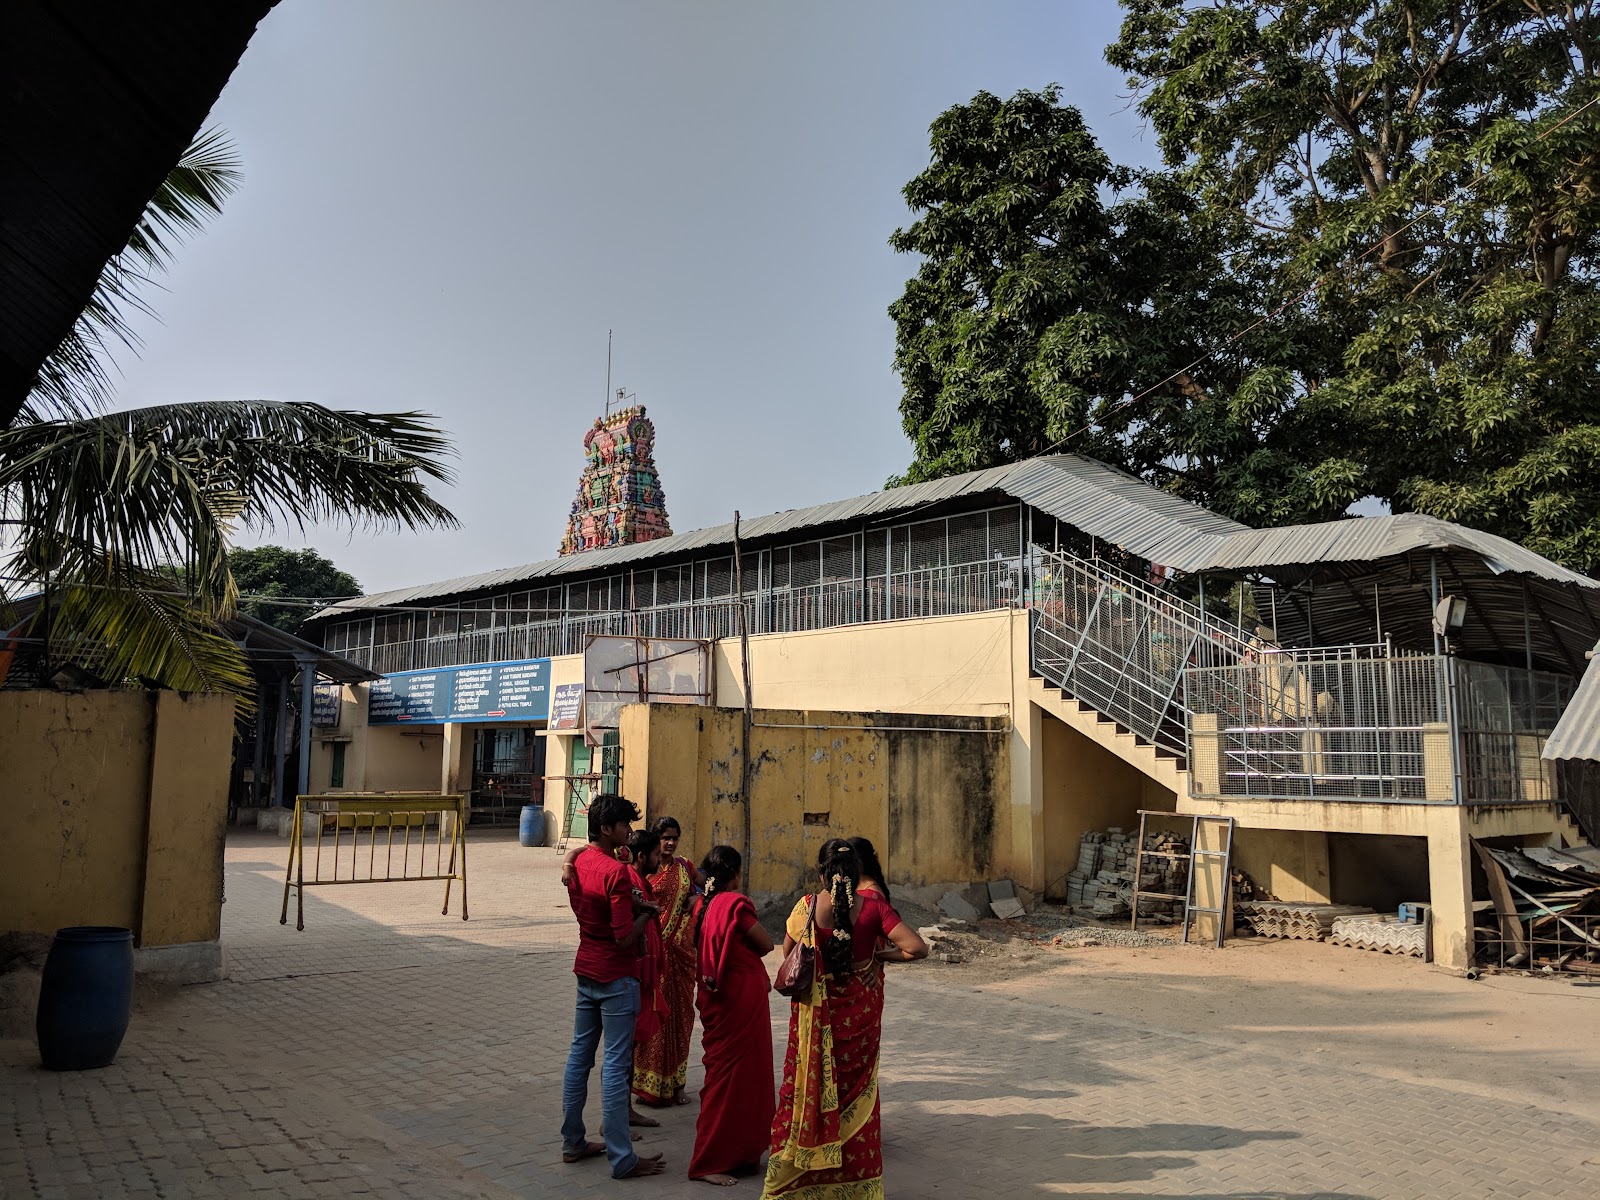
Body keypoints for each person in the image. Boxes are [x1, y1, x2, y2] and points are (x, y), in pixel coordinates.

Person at [759, 839, 927, 1199]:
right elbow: (918, 948)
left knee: (806, 1092)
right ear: (856, 874)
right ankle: (854, 1187)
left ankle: (793, 1185)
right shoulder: (873, 908)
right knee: (859, 1098)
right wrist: (878, 957)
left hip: (815, 1021)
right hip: (859, 1021)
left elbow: (788, 955)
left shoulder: (805, 907)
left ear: (821, 874)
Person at [559, 793, 665, 1180]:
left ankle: (573, 1141)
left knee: (579, 1058)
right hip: (617, 974)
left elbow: (575, 860)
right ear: (607, 828)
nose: (628, 832)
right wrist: (647, 915)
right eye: (623, 825)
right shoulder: (614, 871)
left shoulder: (581, 862)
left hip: (587, 967)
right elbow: (623, 938)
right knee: (617, 1064)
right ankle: (623, 1157)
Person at [688, 845, 775, 1186]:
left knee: (727, 1077)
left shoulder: (701, 907)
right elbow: (767, 943)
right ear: (736, 874)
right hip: (740, 994)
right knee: (739, 1077)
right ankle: (708, 1161)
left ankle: (738, 1153)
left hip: (716, 996)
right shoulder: (736, 904)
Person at [632, 816, 704, 1109]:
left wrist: (696, 901)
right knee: (652, 1016)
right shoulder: (644, 869)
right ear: (655, 840)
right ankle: (647, 1085)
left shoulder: (685, 867)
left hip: (683, 955)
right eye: (665, 837)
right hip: (654, 955)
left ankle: (677, 1084)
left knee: (681, 1018)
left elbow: (709, 887)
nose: (671, 843)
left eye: (675, 837)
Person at [625, 828, 669, 1131]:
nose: (659, 858)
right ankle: (616, 1117)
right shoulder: (629, 883)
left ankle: (622, 1111)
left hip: (643, 977)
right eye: (655, 854)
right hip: (631, 978)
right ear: (642, 857)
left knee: (628, 1048)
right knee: (623, 1050)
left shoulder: (641, 883)